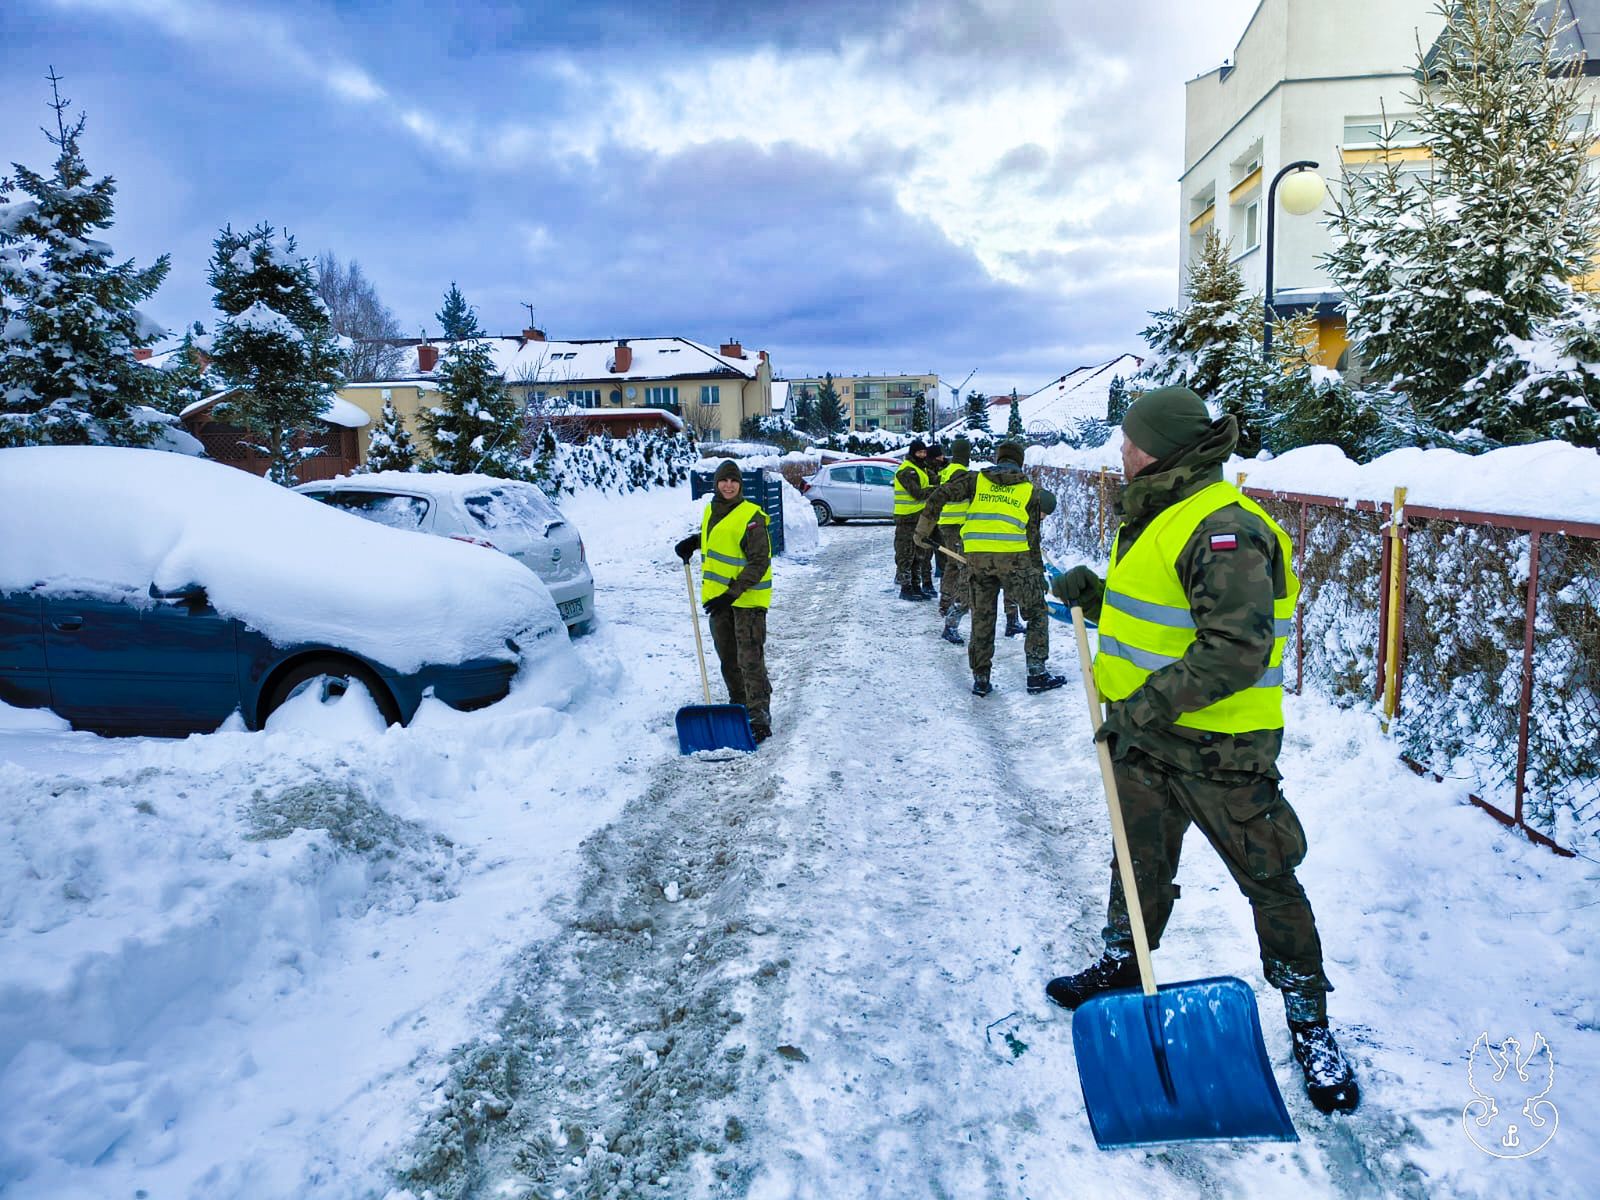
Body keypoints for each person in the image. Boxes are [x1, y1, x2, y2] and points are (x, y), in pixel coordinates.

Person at [1045, 385, 1358, 1115]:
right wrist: (1100, 592)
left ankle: (1310, 1022)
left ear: (1160, 449)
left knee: (1269, 878)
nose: (1119, 450)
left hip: (1222, 752)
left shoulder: (1226, 528)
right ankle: (1125, 962)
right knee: (1135, 857)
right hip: (1144, 742)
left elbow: (1235, 651)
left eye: (1129, 439)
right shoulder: (1157, 513)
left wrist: (1140, 710)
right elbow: (1160, 613)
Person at [916, 440, 1066, 696]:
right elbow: (1032, 539)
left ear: (998, 459)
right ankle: (1036, 674)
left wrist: (923, 529)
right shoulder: (1029, 490)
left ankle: (981, 679)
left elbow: (939, 494)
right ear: (1020, 462)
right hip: (1015, 561)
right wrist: (1037, 575)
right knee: (1036, 613)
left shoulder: (976, 480)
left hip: (978, 560)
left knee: (982, 618)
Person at [674, 460, 773, 744]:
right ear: (716, 483)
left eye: (734, 481)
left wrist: (731, 594)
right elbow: (718, 540)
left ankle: (758, 715)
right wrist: (694, 542)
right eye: (724, 480)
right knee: (728, 659)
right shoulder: (711, 510)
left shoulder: (752, 516)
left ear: (740, 484)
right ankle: (738, 707)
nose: (728, 485)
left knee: (749, 660)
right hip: (718, 602)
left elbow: (758, 563)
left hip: (747, 601)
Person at [893, 439, 938, 601]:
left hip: (919, 517)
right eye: (919, 452)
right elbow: (917, 493)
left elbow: (936, 480)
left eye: (924, 452)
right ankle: (906, 588)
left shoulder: (922, 469)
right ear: (912, 453)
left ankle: (916, 586)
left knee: (919, 554)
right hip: (906, 519)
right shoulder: (906, 470)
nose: (922, 455)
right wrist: (936, 490)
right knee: (906, 554)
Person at [932, 438, 970, 615]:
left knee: (952, 563)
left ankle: (947, 601)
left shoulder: (948, 470)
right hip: (955, 524)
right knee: (958, 564)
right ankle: (953, 603)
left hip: (947, 523)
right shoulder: (960, 472)